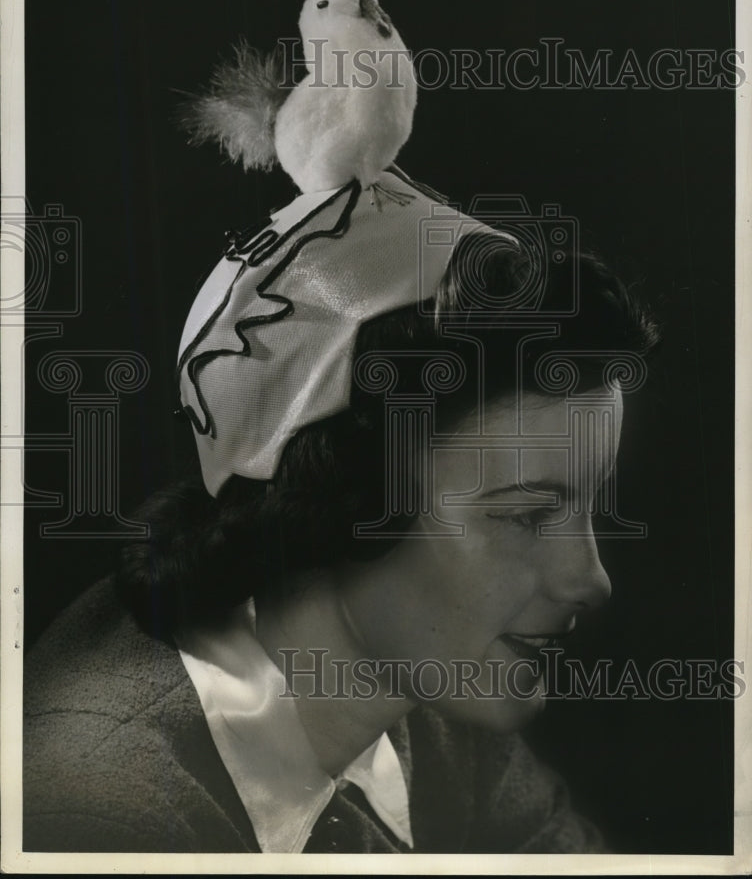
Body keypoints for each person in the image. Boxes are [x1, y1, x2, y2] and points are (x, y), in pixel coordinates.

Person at [23, 173, 658, 853]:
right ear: (335, 502)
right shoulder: (97, 812)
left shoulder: (439, 697)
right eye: (528, 515)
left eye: (590, 508)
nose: (591, 579)